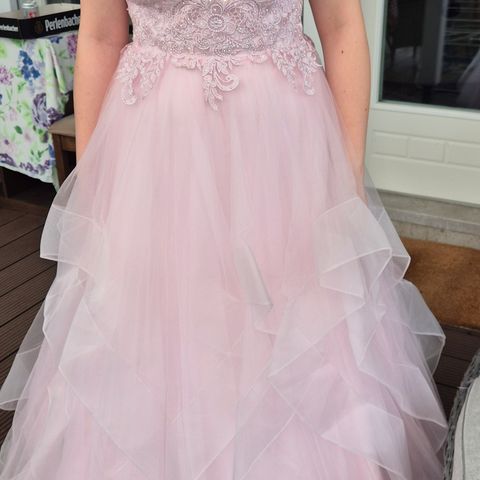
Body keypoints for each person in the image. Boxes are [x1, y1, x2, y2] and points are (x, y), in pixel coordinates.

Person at [0, 0, 448, 478]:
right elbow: (99, 37)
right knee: (155, 318)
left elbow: (341, 28)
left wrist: (347, 177)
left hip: (281, 145)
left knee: (295, 314)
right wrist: (92, 187)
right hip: (156, 147)